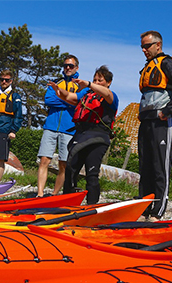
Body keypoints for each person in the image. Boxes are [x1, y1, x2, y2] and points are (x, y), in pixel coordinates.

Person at [137, 30, 172, 221]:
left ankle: (157, 212)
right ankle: (143, 208)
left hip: (162, 122)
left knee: (160, 165)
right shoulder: (147, 67)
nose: (144, 50)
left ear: (158, 45)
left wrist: (168, 110)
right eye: (142, 47)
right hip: (146, 121)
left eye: (147, 46)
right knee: (145, 166)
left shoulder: (167, 63)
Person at [49, 65, 118, 204]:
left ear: (108, 82)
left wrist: (88, 84)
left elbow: (107, 94)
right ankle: (67, 203)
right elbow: (69, 96)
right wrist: (58, 90)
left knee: (91, 173)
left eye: (100, 80)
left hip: (98, 138)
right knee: (70, 169)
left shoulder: (111, 97)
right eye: (95, 80)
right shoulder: (86, 95)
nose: (97, 83)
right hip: (81, 135)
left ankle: (92, 205)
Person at [36, 55, 80, 197]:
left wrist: (61, 97)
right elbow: (48, 100)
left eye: (71, 66)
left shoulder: (80, 86)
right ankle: (40, 193)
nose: (68, 68)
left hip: (68, 129)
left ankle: (55, 194)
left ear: (76, 68)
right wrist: (68, 99)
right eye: (65, 65)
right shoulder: (55, 82)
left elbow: (78, 103)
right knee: (44, 160)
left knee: (63, 164)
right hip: (50, 126)